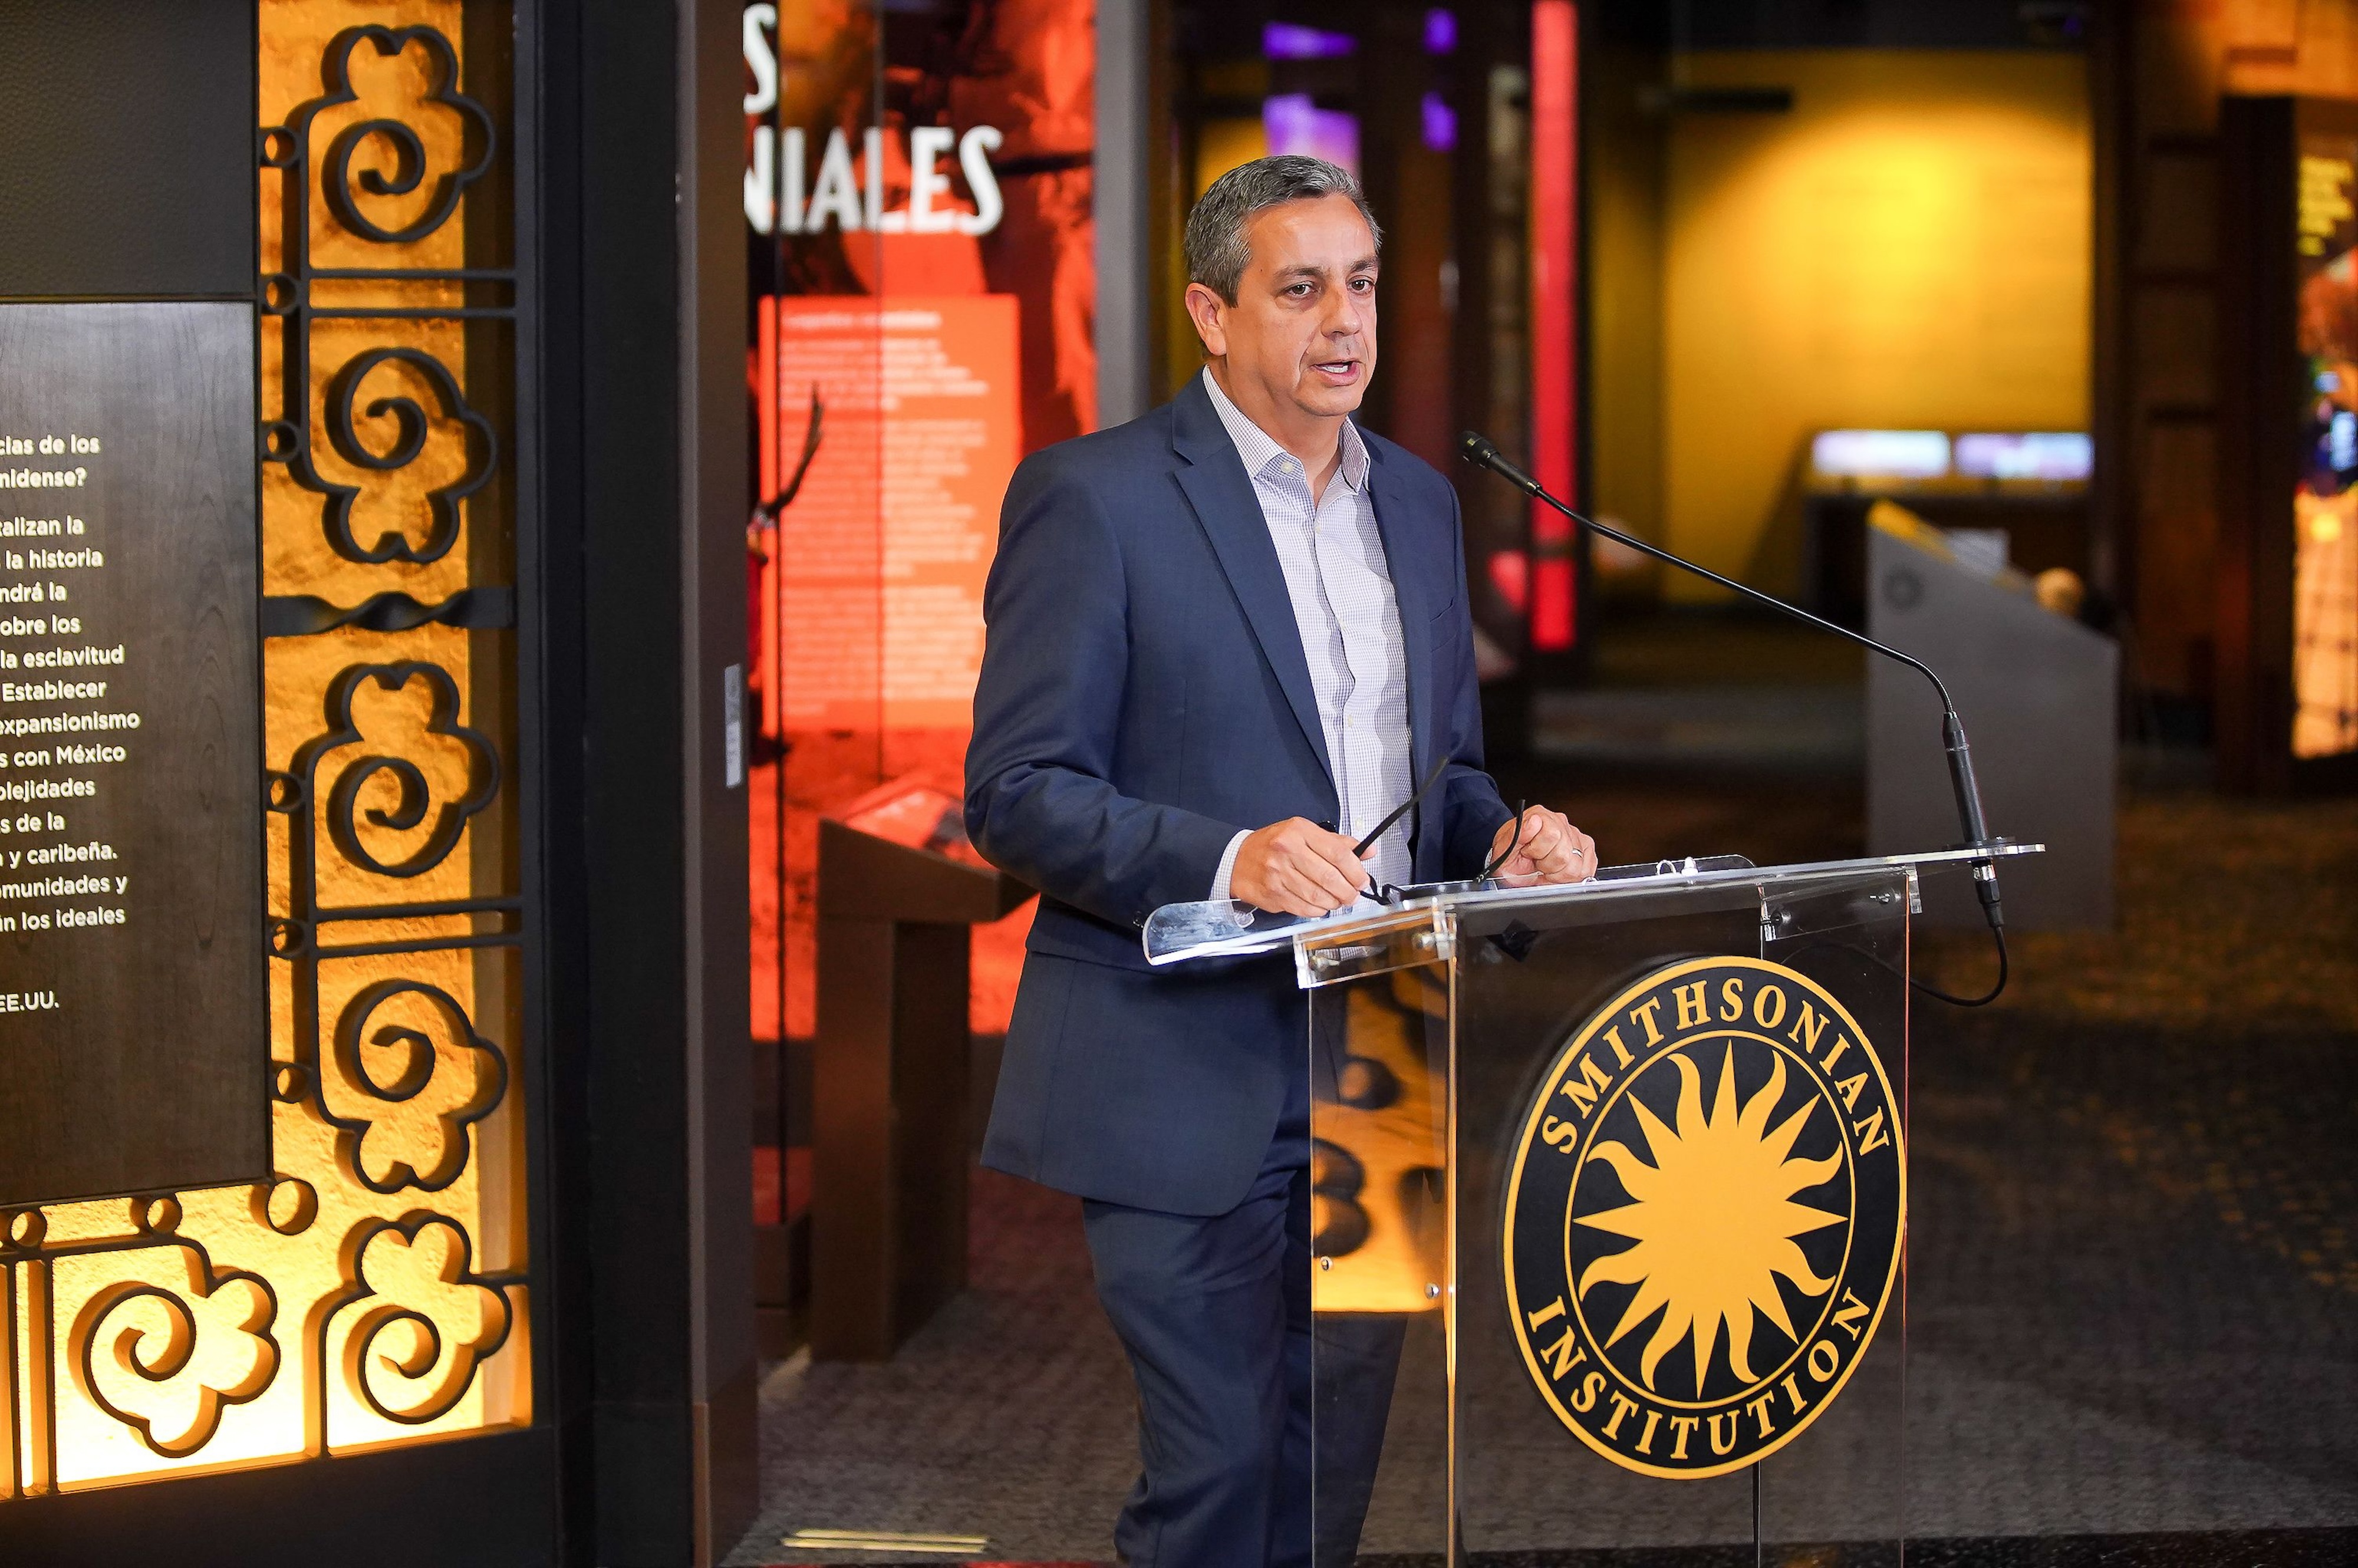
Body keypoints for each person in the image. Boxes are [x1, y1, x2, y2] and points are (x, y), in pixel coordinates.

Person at [964, 155, 1596, 1568]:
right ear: (1211, 312)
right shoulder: (1096, 498)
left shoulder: (1417, 505)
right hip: (1174, 1063)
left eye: (1358, 284)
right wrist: (1226, 856)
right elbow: (1013, 792)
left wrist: (1501, 839)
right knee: (1218, 1469)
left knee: (1327, 1477)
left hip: (1379, 1054)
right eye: (1299, 288)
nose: (1343, 321)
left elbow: (1439, 777)